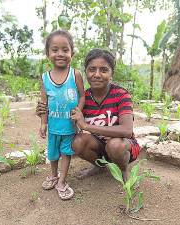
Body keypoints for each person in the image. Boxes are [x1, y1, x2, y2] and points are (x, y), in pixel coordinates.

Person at [37, 48, 140, 182]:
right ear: (85, 73)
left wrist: (86, 126)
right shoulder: (82, 98)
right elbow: (62, 111)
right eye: (92, 69)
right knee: (78, 142)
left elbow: (127, 130)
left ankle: (124, 170)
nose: (97, 74)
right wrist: (43, 111)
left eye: (104, 70)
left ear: (111, 74)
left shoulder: (121, 94)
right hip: (99, 146)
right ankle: (99, 166)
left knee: (114, 145)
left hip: (124, 146)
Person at [40, 29, 85, 200]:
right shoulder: (45, 78)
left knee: (66, 153)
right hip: (53, 127)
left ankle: (62, 181)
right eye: (55, 49)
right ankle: (53, 175)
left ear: (72, 53)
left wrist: (78, 111)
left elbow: (82, 95)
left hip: (69, 127)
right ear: (48, 53)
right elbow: (44, 104)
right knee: (52, 154)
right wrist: (43, 123)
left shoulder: (76, 75)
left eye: (65, 50)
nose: (60, 54)